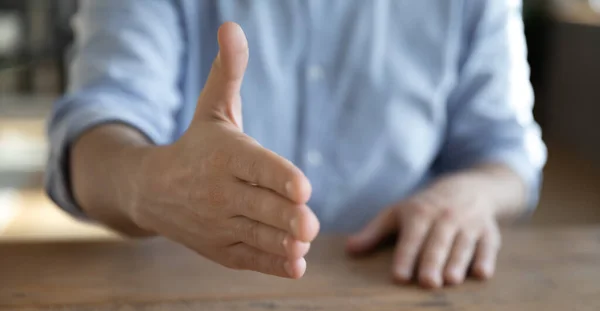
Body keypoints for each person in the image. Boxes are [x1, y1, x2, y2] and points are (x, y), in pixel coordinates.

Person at [46, 0, 546, 289]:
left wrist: (470, 195)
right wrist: (150, 185)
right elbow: (94, 130)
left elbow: (508, 151)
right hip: (187, 296)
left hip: (402, 289)